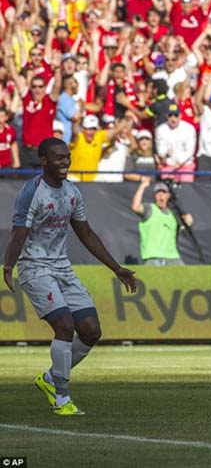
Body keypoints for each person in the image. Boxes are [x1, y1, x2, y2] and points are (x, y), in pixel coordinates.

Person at [3, 137, 137, 416]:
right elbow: (19, 233)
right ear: (43, 160)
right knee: (64, 325)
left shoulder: (73, 192)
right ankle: (61, 396)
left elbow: (86, 233)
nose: (65, 161)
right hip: (34, 267)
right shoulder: (32, 192)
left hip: (62, 267)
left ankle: (50, 378)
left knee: (90, 330)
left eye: (67, 156)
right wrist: (8, 266)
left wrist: (116, 268)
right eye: (58, 157)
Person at [130, 177, 193, 265]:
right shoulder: (149, 209)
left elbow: (185, 232)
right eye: (158, 193)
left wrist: (188, 222)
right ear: (155, 196)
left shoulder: (173, 214)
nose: (161, 196)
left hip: (173, 257)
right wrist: (142, 186)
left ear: (168, 195)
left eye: (163, 192)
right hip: (153, 257)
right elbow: (135, 207)